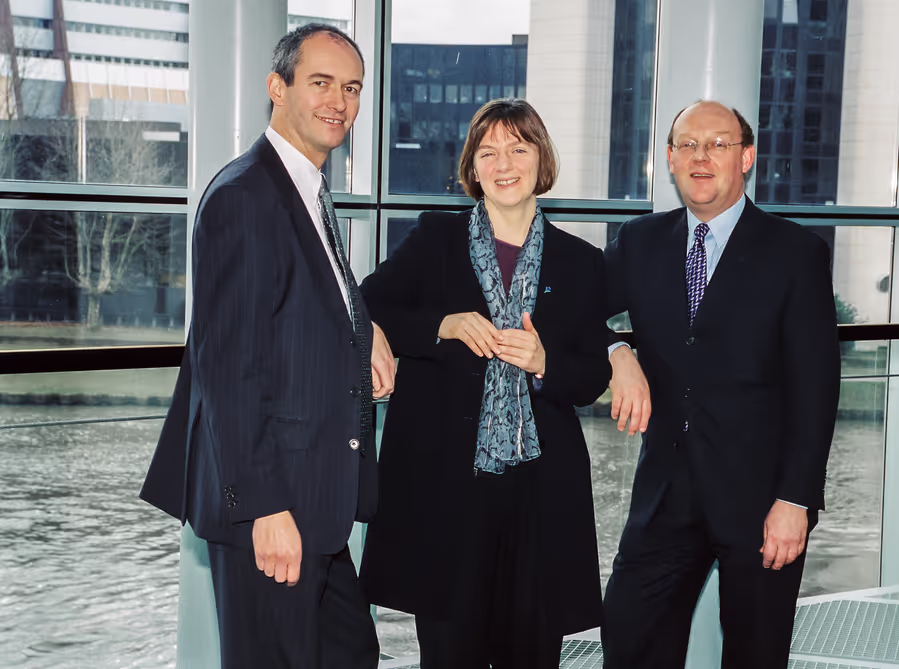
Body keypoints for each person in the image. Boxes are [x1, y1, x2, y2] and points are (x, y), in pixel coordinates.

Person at [139, 24, 395, 669]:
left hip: (317, 505)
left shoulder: (305, 189)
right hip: (273, 506)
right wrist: (265, 508)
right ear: (277, 88)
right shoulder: (245, 196)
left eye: (352, 88)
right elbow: (229, 369)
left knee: (352, 655)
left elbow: (307, 299)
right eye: (321, 83)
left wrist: (365, 329)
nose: (339, 101)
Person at [357, 98, 611, 669]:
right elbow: (368, 305)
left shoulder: (581, 261)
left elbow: (593, 374)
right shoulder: (434, 239)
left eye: (518, 149)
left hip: (540, 496)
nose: (504, 164)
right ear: (472, 167)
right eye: (488, 152)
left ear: (541, 159)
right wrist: (441, 325)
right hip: (445, 492)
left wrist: (544, 361)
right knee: (450, 654)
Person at [600, 100, 841, 668]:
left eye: (717, 144)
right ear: (669, 159)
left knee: (756, 656)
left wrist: (796, 500)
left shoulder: (796, 252)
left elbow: (816, 388)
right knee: (628, 639)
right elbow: (576, 311)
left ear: (746, 157)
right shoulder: (639, 241)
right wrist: (617, 351)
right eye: (687, 144)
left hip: (762, 501)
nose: (700, 157)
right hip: (664, 494)